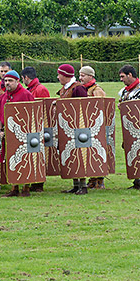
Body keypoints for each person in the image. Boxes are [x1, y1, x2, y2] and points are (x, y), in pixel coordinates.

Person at [0, 70, 35, 197]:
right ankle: (14, 187)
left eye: (10, 81)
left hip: (23, 133)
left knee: (24, 160)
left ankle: (26, 188)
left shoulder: (26, 94)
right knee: (10, 160)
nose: (7, 83)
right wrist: (0, 131)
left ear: (17, 81)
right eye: (6, 81)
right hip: (7, 134)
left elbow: (33, 114)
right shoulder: (3, 97)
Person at [117, 64, 140, 191]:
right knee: (132, 152)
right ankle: (136, 180)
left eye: (122, 76)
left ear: (130, 75)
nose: (121, 79)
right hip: (129, 128)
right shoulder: (124, 92)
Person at [57, 64, 90, 194]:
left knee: (80, 156)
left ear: (65, 75)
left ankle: (84, 186)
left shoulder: (78, 89)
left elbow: (82, 108)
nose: (58, 77)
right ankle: (76, 185)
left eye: (60, 74)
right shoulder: (66, 89)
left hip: (78, 128)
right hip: (68, 128)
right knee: (71, 156)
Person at [79, 65, 108, 190]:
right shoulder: (83, 89)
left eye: (83, 75)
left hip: (96, 126)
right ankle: (92, 179)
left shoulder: (96, 90)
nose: (80, 78)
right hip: (86, 126)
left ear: (90, 76)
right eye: (80, 75)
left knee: (97, 152)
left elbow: (100, 108)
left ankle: (99, 179)